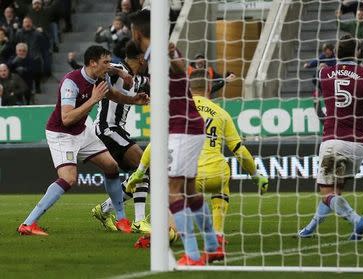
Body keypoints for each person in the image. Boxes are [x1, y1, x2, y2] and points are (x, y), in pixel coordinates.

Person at [129, 69, 269, 250]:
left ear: (188, 86)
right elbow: (239, 150)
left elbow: (155, 144)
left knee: (172, 197)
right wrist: (256, 175)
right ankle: (217, 234)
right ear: (209, 87)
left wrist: (140, 171)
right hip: (216, 175)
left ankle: (168, 232)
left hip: (189, 177)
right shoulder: (221, 113)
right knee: (224, 176)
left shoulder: (177, 110)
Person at [17, 45, 149, 236]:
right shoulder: (71, 82)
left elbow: (112, 94)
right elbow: (66, 118)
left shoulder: (99, 75)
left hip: (82, 130)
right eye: (105, 62)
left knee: (111, 166)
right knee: (69, 178)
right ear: (92, 63)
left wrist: (133, 99)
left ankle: (121, 219)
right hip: (62, 133)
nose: (108, 65)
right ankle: (28, 224)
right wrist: (93, 100)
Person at [128, 9, 222, 266]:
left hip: (182, 129)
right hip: (188, 127)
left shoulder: (162, 51)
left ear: (136, 33)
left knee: (172, 192)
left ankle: (192, 254)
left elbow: (181, 69)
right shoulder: (162, 51)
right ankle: (212, 246)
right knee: (189, 191)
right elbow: (181, 70)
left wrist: (170, 58)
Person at [297, 35, 363, 241]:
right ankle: (310, 228)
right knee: (335, 191)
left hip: (333, 141)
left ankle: (358, 221)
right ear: (357, 53)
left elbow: (331, 81)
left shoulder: (324, 73)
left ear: (336, 53)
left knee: (326, 192)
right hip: (358, 143)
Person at [90, 41, 152, 234]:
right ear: (141, 58)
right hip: (107, 128)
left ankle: (104, 209)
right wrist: (121, 73)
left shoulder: (138, 79)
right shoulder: (120, 67)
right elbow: (103, 68)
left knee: (142, 171)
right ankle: (139, 221)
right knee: (144, 165)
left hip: (117, 130)